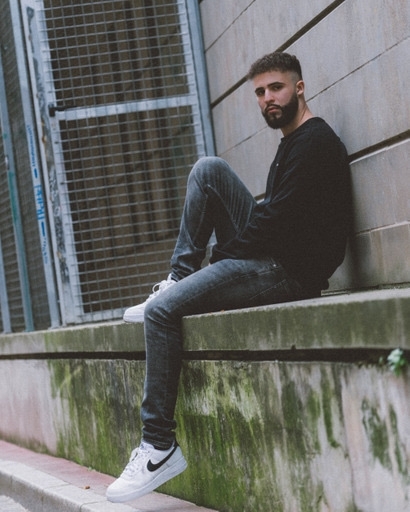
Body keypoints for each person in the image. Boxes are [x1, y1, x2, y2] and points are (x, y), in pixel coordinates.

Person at [106, 51, 351, 503]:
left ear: (299, 88)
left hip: (288, 272)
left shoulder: (315, 142)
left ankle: (158, 446)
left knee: (160, 313)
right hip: (274, 254)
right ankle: (179, 275)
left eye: (275, 88)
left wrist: (222, 257)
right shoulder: (291, 141)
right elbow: (272, 220)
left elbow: (276, 224)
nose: (267, 99)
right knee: (209, 170)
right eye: (259, 92)